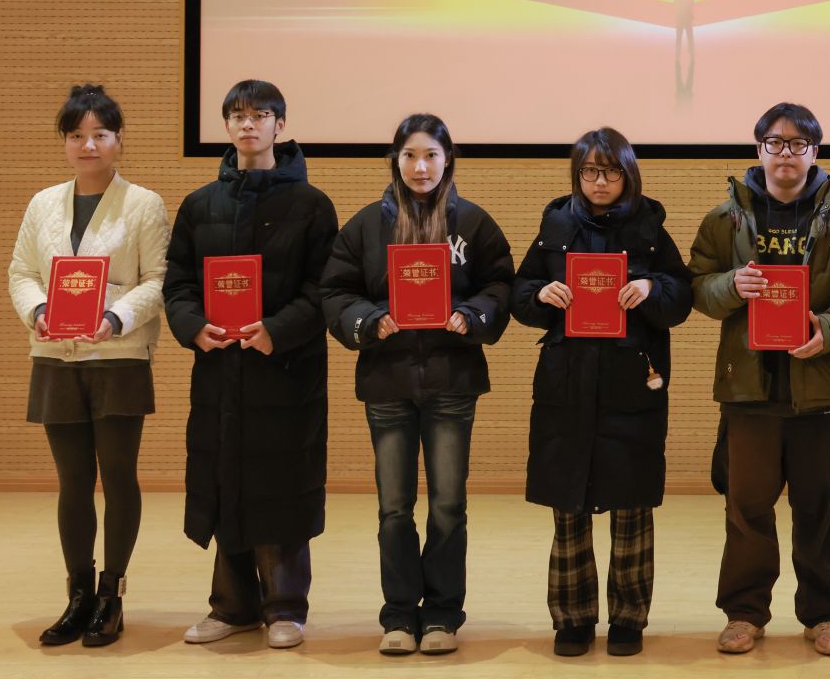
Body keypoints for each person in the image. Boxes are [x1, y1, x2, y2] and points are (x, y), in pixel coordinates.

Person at [319, 114, 514, 656]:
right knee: (394, 508)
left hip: (452, 381)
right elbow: (335, 291)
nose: (420, 166)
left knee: (448, 504)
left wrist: (471, 316)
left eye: (431, 155)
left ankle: (443, 615)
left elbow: (501, 283)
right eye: (409, 155)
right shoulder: (366, 226)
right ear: (395, 160)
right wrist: (367, 321)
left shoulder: (472, 223)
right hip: (387, 382)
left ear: (448, 160)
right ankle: (400, 615)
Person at [162, 80, 340, 650]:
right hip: (221, 370)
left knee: (281, 484)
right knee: (225, 479)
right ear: (226, 126)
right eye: (238, 115)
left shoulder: (312, 205)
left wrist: (277, 331)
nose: (248, 124)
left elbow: (324, 288)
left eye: (260, 115)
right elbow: (178, 283)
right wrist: (194, 327)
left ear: (279, 126)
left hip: (285, 371)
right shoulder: (200, 205)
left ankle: (285, 608)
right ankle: (232, 608)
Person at [690, 102, 830, 658]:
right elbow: (697, 286)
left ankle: (824, 616)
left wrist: (828, 330)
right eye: (774, 142)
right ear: (758, 149)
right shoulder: (724, 219)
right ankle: (744, 614)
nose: (785, 153)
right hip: (749, 390)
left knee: (823, 510)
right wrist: (731, 287)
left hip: (821, 387)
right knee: (746, 510)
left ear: (815, 151)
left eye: (797, 144)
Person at [511, 128, 693, 658]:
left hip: (631, 384)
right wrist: (542, 294)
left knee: (630, 503)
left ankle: (629, 619)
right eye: (589, 171)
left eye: (610, 171)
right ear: (577, 175)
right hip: (567, 383)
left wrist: (652, 288)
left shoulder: (651, 228)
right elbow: (520, 294)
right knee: (568, 503)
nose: (599, 181)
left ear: (628, 174)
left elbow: (681, 297)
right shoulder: (555, 224)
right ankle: (572, 620)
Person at [6, 84, 170, 648]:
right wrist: (38, 310)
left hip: (118, 357)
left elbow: (158, 280)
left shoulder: (143, 204)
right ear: (65, 142)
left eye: (100, 134)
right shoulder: (42, 203)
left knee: (118, 477)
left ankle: (111, 594)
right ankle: (77, 595)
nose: (88, 145)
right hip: (56, 357)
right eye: (76, 135)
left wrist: (116, 318)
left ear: (119, 140)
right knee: (72, 481)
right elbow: (22, 272)